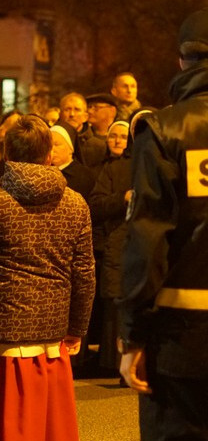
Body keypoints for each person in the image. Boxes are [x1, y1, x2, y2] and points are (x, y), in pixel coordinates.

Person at [118, 8, 208, 441]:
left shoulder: (164, 128)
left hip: (185, 334)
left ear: (183, 61)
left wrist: (132, 334)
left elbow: (148, 239)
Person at [0, 115, 95, 441]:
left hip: (2, 324)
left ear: (6, 153)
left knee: (7, 421)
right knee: (46, 422)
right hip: (51, 325)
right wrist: (77, 326)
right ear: (49, 154)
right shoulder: (75, 202)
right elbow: (84, 273)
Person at [89, 119, 133, 374]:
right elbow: (96, 205)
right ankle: (113, 362)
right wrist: (123, 198)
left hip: (128, 244)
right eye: (113, 136)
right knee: (115, 307)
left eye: (123, 136)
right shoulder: (110, 170)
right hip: (114, 244)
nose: (117, 141)